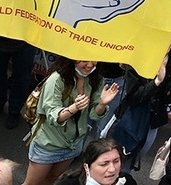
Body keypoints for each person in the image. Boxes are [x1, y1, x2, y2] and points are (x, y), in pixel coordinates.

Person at [24, 57, 119, 185]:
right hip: (48, 143)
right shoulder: (56, 79)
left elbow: (94, 114)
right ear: (72, 59)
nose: (90, 65)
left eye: (94, 60)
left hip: (73, 145)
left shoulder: (96, 79)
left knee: (51, 180)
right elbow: (53, 116)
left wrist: (102, 104)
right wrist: (74, 107)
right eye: (84, 60)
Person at [53, 139, 136, 185]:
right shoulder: (67, 184)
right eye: (104, 164)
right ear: (86, 167)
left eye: (116, 161)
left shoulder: (127, 181)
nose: (112, 169)